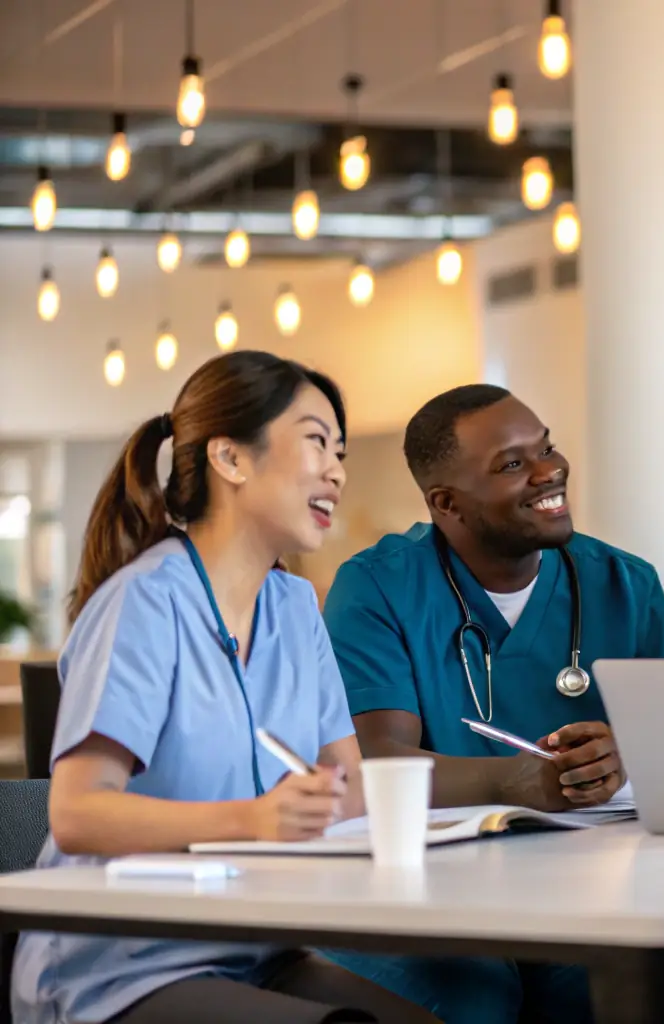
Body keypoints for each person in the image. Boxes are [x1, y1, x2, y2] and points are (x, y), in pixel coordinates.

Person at [10, 352, 439, 1024]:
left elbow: (346, 785)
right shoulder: (145, 603)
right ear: (231, 460)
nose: (337, 470)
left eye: (342, 451)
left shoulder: (297, 608)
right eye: (316, 442)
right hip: (122, 966)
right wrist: (257, 819)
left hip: (256, 949)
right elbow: (78, 813)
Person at [320, 384, 664, 1023]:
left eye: (545, 448)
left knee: (636, 988)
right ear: (446, 504)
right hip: (439, 896)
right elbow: (381, 760)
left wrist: (624, 758)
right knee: (472, 997)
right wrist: (520, 781)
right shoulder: (379, 587)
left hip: (599, 891)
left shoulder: (624, 585)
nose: (549, 471)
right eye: (512, 464)